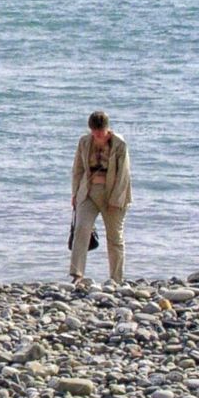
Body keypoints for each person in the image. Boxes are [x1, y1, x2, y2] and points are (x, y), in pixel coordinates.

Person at [70, 110, 132, 285]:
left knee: (114, 237)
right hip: (88, 192)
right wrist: (75, 194)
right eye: (94, 133)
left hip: (113, 193)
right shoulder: (84, 142)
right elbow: (78, 169)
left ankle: (116, 278)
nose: (98, 136)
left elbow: (123, 176)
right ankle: (77, 274)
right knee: (81, 229)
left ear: (107, 129)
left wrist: (116, 200)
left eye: (101, 133)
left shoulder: (119, 144)